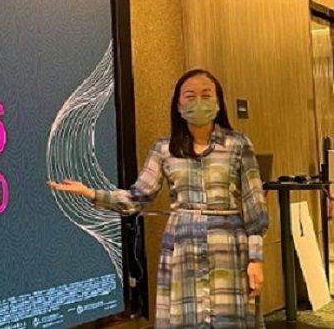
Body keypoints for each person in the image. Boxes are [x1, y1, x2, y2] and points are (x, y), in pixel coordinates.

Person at [49, 69, 268, 328]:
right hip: (182, 246)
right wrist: (91, 193)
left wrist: (255, 259)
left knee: (229, 319)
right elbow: (137, 197)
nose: (198, 102)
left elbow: (254, 205)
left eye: (206, 95)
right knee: (187, 318)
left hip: (229, 245)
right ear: (178, 105)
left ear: (218, 102)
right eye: (190, 96)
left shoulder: (239, 144)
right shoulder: (164, 148)